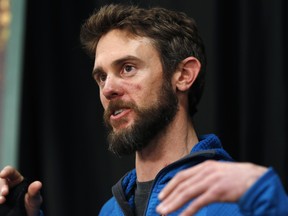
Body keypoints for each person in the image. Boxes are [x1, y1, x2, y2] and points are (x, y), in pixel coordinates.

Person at [0, 3, 287, 216]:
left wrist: (268, 198)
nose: (108, 88)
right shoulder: (111, 210)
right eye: (101, 76)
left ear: (184, 75)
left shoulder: (236, 199)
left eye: (127, 68)